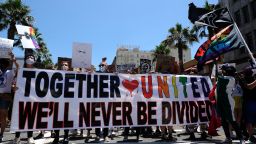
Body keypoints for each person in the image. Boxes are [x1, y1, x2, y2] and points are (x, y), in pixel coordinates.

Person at [215, 64, 244, 144]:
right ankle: (228, 138)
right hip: (221, 101)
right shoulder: (226, 78)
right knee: (223, 120)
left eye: (224, 70)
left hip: (228, 102)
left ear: (226, 72)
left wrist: (216, 66)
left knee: (232, 120)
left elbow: (216, 76)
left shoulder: (229, 79)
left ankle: (241, 138)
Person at [13, 53, 37, 144]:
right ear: (25, 59)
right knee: (19, 117)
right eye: (28, 57)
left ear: (34, 60)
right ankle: (17, 137)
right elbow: (14, 82)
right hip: (21, 97)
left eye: (32, 57)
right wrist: (13, 87)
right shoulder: (20, 70)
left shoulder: (37, 71)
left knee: (30, 117)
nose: (30, 58)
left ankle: (30, 137)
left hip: (32, 98)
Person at [0, 53, 19, 143]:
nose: (1, 66)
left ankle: (1, 134)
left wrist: (14, 61)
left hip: (4, 96)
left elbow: (19, 70)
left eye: (3, 64)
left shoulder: (10, 72)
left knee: (3, 116)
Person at [52, 60, 71, 144]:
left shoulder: (71, 76)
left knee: (66, 119)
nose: (64, 66)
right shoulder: (55, 76)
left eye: (66, 65)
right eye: (63, 65)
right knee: (57, 120)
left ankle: (66, 137)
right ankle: (56, 137)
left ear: (68, 67)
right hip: (57, 101)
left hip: (68, 101)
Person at [240, 67, 256, 143]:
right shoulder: (242, 79)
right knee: (249, 121)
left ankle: (252, 136)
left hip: (254, 101)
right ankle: (251, 137)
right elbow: (249, 87)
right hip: (248, 102)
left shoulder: (254, 78)